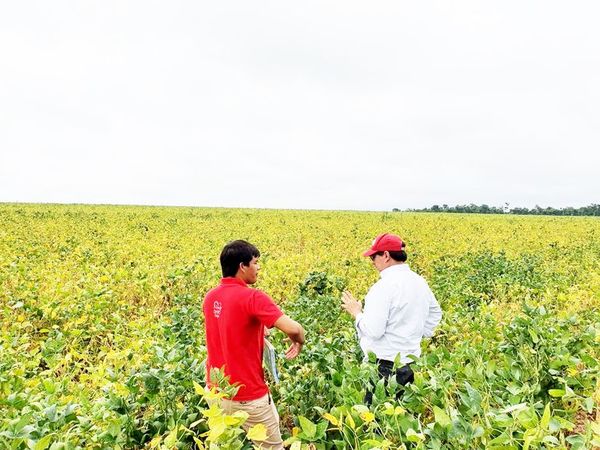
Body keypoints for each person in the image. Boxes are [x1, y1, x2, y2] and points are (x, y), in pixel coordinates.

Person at [203, 240, 305, 450]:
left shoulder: (210, 297)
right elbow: (294, 329)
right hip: (248, 396)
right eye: (256, 262)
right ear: (243, 266)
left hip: (217, 391)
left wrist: (258, 328)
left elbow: (229, 326)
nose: (258, 268)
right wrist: (299, 340)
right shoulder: (253, 297)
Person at [341, 233, 442, 404]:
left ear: (386, 255)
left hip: (385, 367)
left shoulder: (383, 287)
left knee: (377, 420)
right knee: (403, 418)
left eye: (374, 256)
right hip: (410, 364)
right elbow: (435, 313)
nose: (372, 261)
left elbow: (374, 331)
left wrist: (357, 313)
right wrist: (413, 334)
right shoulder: (419, 282)